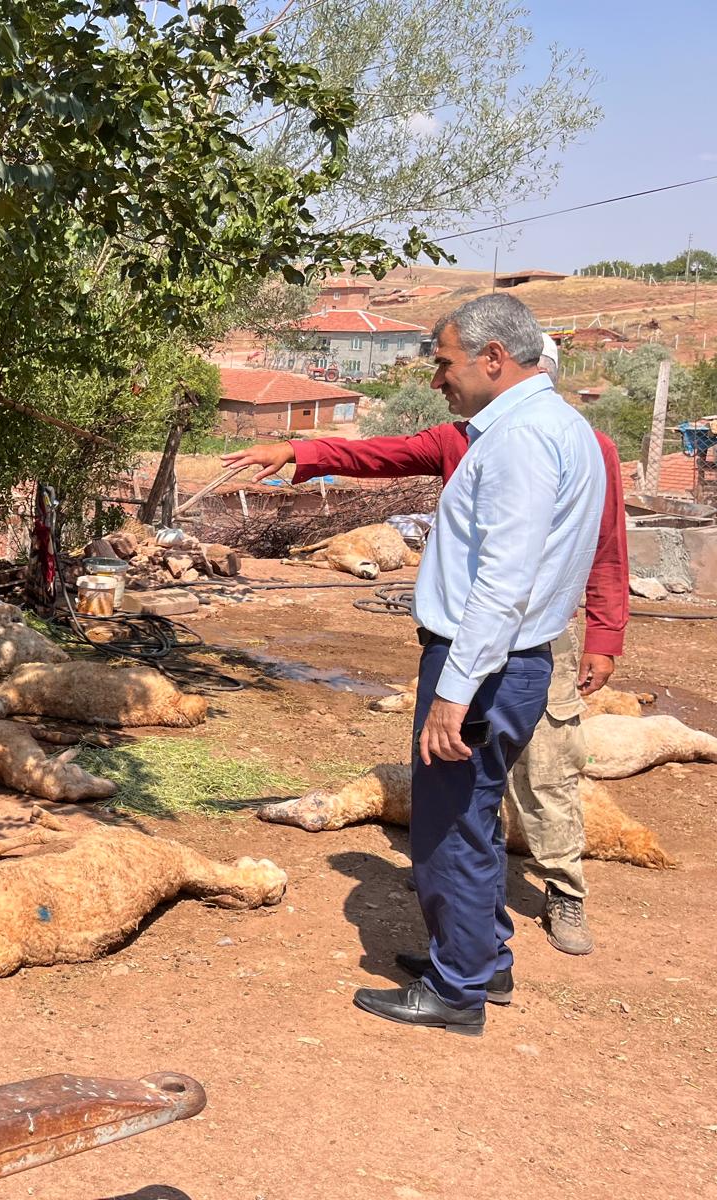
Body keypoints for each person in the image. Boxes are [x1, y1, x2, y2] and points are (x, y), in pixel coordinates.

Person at [244, 294, 606, 1035]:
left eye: (445, 363)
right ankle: (483, 959)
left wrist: (454, 691)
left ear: (493, 358)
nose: (438, 377)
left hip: (487, 663)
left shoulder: (518, 442)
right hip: (512, 661)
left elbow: (503, 580)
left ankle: (457, 990)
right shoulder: (558, 429)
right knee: (469, 819)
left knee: (448, 828)